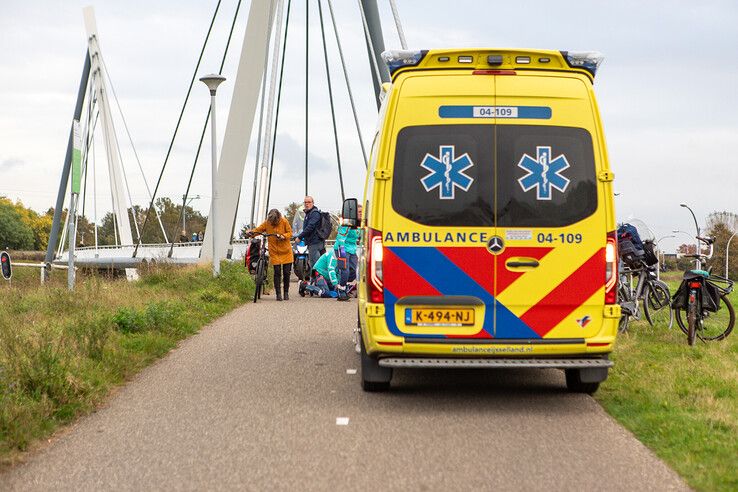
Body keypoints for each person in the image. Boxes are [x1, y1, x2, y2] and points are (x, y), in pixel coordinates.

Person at [249, 209, 294, 301]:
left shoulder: (284, 221)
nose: (272, 224)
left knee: (286, 272)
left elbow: (290, 233)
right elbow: (258, 230)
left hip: (286, 251)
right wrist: (251, 233)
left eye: (274, 222)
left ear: (278, 218)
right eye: (271, 222)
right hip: (274, 251)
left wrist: (283, 236)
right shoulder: (267, 222)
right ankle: (278, 294)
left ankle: (286, 292)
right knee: (277, 272)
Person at [334, 205, 362, 301]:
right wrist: (342, 253)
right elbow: (341, 238)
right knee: (345, 270)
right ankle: (341, 290)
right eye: (359, 212)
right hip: (342, 248)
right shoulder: (347, 223)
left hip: (352, 249)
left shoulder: (360, 224)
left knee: (355, 270)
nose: (361, 213)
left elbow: (361, 237)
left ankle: (342, 281)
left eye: (362, 212)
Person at [295, 196, 324, 267]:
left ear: (313, 203)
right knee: (314, 263)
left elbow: (310, 227)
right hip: (312, 242)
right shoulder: (309, 213)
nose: (307, 204)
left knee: (315, 265)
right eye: (305, 202)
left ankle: (315, 278)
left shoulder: (314, 213)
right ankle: (315, 277)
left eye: (309, 202)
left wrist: (300, 237)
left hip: (315, 242)